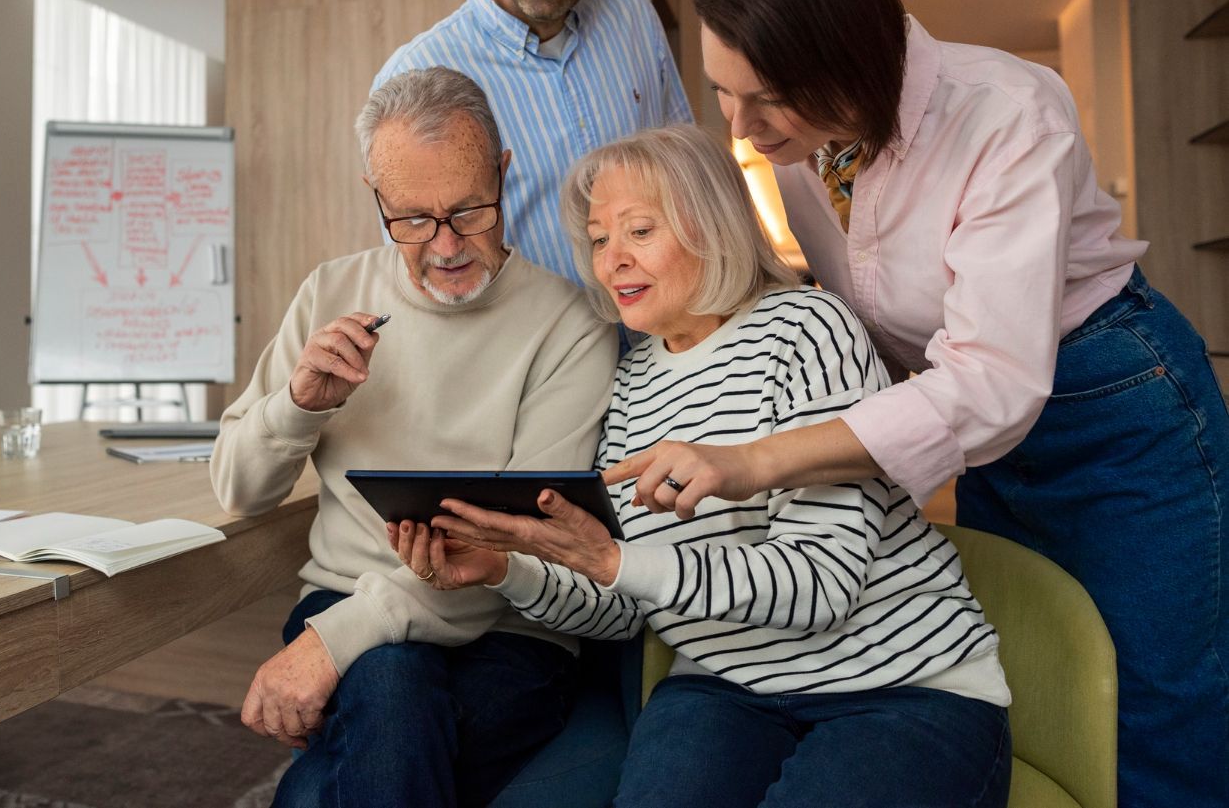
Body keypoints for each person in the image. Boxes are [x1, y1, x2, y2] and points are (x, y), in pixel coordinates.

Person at [608, 0, 1229, 806]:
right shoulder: (798, 143)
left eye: (764, 100)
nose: (740, 130)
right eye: (724, 93)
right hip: (960, 411)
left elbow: (991, 383)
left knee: (1160, 702)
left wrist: (754, 459)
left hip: (1109, 397)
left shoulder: (1009, 112)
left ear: (849, 63)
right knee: (1041, 657)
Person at [390, 125, 1012, 807]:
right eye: (599, 239)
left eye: (639, 230)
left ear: (710, 226)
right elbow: (624, 605)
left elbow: (822, 584)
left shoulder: (809, 328)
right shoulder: (631, 385)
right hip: (725, 687)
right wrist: (507, 568)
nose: (612, 260)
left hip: (899, 686)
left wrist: (619, 562)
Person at [209, 66, 617, 807]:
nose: (446, 245)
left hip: (508, 627)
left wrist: (333, 646)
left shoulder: (569, 325)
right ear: (376, 196)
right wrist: (299, 403)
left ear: (503, 172)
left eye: (469, 210)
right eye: (413, 219)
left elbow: (521, 544)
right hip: (342, 596)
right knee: (394, 684)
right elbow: (238, 486)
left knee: (361, 735)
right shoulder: (330, 292)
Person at [374, 0, 691, 289]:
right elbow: (419, 271)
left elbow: (685, 177)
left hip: (663, 345)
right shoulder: (417, 75)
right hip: (538, 357)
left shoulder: (632, 17)